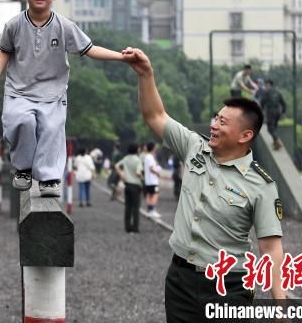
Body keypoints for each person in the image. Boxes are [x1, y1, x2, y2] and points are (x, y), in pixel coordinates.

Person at [123, 46, 286, 320]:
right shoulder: (194, 148)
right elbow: (155, 116)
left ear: (245, 135)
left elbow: (271, 249)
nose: (214, 125)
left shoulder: (262, 185)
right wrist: (146, 75)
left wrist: (281, 308)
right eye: (215, 118)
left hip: (229, 286)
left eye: (222, 122)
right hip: (180, 280)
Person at [0, 0, 129, 197]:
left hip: (53, 92)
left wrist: (121, 57)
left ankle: (49, 177)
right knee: (21, 121)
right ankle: (24, 168)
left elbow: (89, 49)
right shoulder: (14, 25)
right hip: (19, 90)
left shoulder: (65, 27)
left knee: (51, 129)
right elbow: (4, 51)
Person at [115, 144, 143, 233]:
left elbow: (116, 166)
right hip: (135, 185)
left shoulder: (126, 158)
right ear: (136, 149)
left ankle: (127, 227)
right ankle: (135, 227)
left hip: (127, 185)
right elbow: (138, 172)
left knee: (128, 207)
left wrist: (122, 175)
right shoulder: (138, 160)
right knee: (135, 207)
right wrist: (142, 177)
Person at [259, 79, 287, 150]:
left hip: (270, 111)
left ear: (268, 84)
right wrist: (283, 112)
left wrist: (261, 109)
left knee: (270, 128)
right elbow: (283, 103)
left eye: (266, 85)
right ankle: (275, 144)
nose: (265, 86)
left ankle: (277, 140)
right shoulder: (278, 92)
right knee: (274, 127)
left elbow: (262, 101)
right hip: (278, 111)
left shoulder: (266, 92)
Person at [143, 142, 162, 218]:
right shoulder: (150, 157)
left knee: (149, 195)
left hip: (148, 180)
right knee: (155, 195)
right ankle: (152, 211)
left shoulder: (147, 156)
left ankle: (149, 210)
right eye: (155, 147)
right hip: (152, 180)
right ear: (153, 148)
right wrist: (157, 173)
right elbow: (151, 168)